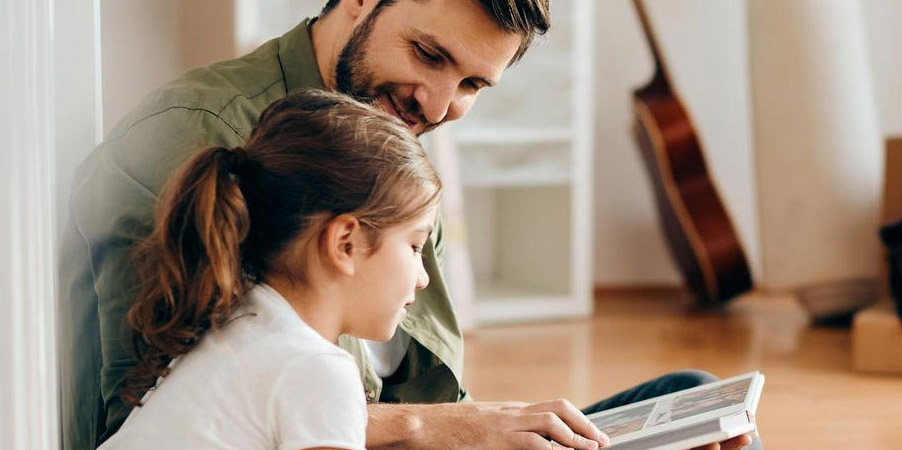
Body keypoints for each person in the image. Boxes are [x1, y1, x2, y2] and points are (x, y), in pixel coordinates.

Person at [58, 0, 754, 449]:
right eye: (429, 54)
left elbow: (429, 389)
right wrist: (436, 427)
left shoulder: (384, 140)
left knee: (691, 405)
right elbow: (154, 419)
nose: (441, 104)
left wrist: (491, 426)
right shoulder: (202, 139)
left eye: (474, 85)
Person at [99, 89, 439, 450]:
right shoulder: (316, 370)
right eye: (415, 247)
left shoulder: (237, 324)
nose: (423, 278)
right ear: (345, 244)